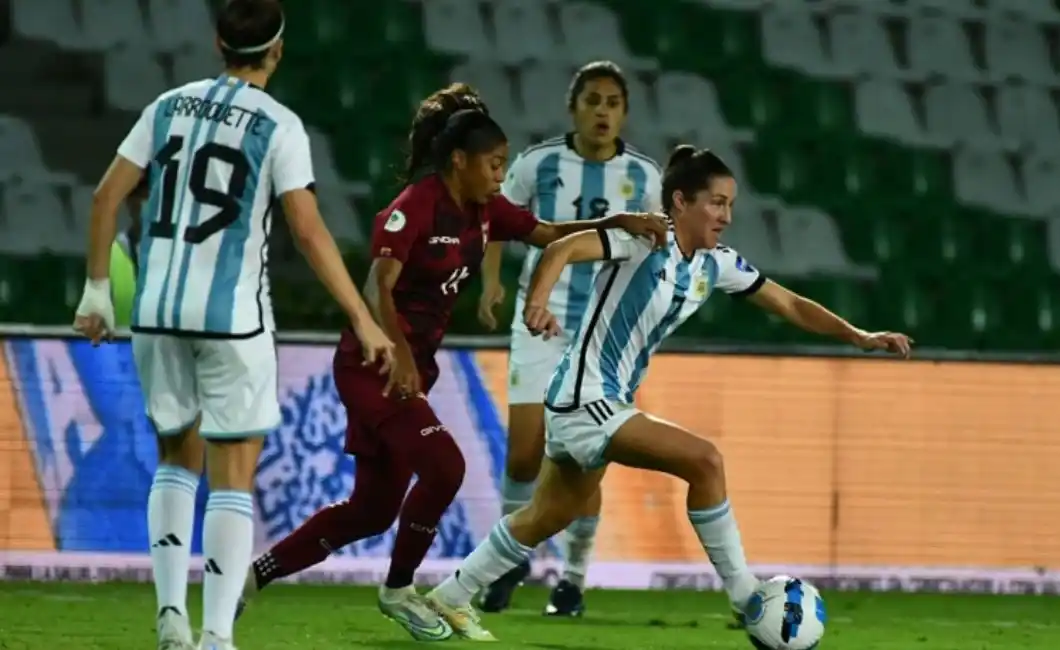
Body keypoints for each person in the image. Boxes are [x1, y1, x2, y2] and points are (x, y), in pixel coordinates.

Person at [425, 145, 912, 641]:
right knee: (705, 461)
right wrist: (538, 303)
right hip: (585, 397)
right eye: (717, 203)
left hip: (599, 401)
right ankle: (748, 598)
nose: (726, 216)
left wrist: (859, 336)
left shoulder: (714, 264)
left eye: (730, 205)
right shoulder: (643, 238)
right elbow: (561, 249)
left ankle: (449, 597)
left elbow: (787, 302)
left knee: (546, 515)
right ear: (680, 202)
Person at [234, 100, 668, 640]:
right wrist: (400, 355)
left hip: (409, 370)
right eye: (493, 164)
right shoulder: (415, 206)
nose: (500, 176)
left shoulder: (487, 212)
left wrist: (616, 221)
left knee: (370, 511)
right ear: (459, 160)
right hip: (376, 367)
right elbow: (377, 288)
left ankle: (251, 578)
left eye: (505, 164)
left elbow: (548, 232)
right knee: (446, 467)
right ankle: (399, 591)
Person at [70, 2, 396, 649]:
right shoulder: (278, 125)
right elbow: (306, 230)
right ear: (277, 51)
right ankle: (216, 634)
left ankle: (170, 618)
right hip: (231, 322)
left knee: (174, 458)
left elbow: (106, 196)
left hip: (157, 313)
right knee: (232, 471)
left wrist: (97, 291)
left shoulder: (167, 106)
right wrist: (363, 319)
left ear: (218, 42)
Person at [476, 60, 662, 617]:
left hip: (602, 336)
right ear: (573, 106)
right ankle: (511, 563)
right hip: (541, 320)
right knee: (524, 455)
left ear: (624, 112)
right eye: (592, 100)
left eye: (612, 102)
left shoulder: (645, 176)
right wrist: (490, 283)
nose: (602, 111)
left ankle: (573, 581)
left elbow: (654, 252)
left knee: (586, 457)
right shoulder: (539, 163)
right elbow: (495, 221)